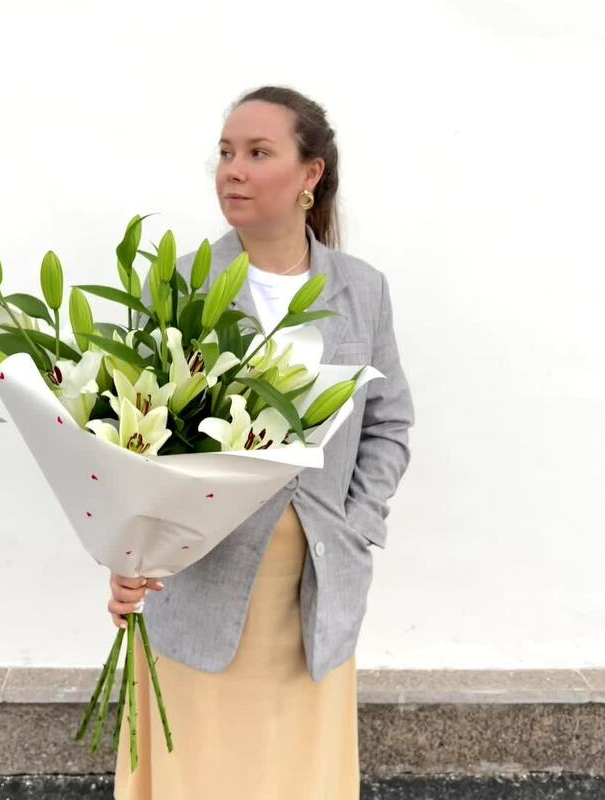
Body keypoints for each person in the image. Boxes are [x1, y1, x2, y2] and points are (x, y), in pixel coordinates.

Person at [110, 85, 415, 798]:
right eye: (225, 153)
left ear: (310, 174)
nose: (233, 171)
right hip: (199, 581)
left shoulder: (362, 290)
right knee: (201, 768)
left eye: (257, 152)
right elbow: (131, 434)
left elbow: (388, 422)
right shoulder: (181, 284)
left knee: (296, 770)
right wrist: (128, 555)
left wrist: (357, 524)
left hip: (316, 589)